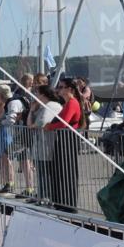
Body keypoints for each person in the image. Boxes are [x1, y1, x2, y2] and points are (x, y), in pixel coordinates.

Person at [46, 77, 85, 212]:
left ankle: (68, 204)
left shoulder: (72, 103)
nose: (59, 90)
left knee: (66, 170)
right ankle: (61, 202)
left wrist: (49, 127)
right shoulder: (67, 103)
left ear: (70, 89)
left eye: (61, 87)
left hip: (68, 139)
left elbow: (64, 123)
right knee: (59, 170)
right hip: (63, 139)